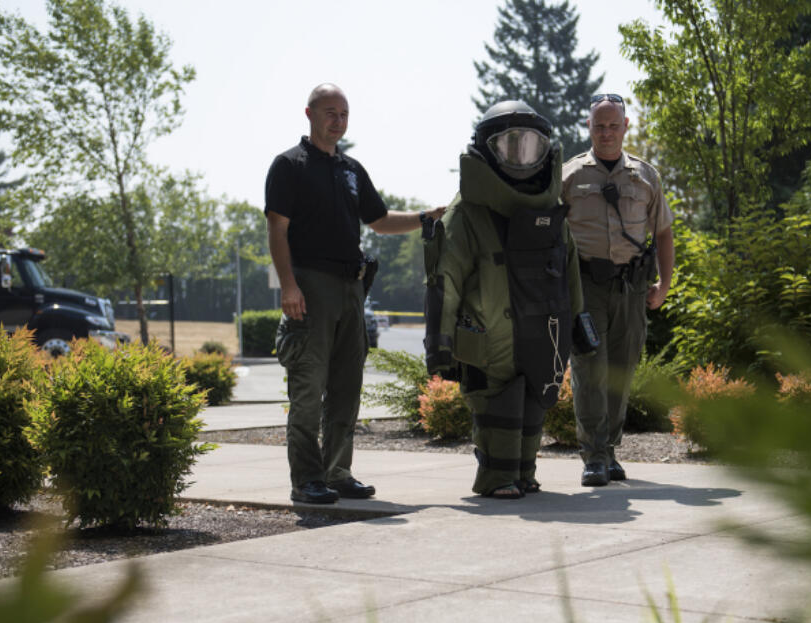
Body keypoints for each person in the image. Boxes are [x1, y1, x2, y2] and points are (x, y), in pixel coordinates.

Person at [265, 83, 444, 504]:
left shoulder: (351, 170)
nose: (337, 120)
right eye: (329, 112)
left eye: (343, 114)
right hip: (309, 286)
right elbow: (277, 228)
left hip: (351, 289)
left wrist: (424, 216)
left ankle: (337, 472)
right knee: (308, 389)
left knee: (347, 386)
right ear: (308, 114)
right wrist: (288, 286)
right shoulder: (288, 165)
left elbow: (379, 220)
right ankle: (307, 479)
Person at [425, 100, 595, 499]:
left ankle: (523, 471)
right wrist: (441, 346)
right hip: (487, 339)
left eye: (531, 148)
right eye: (510, 146)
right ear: (487, 149)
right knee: (496, 404)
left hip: (541, 334)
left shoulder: (550, 212)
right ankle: (496, 476)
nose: (521, 159)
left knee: (536, 399)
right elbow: (443, 281)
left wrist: (579, 323)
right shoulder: (466, 213)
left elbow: (570, 270)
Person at [561, 93, 675, 487]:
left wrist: (664, 283)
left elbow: (662, 232)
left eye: (613, 125)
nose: (606, 133)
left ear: (626, 126)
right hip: (586, 286)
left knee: (621, 372)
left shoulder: (645, 176)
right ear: (588, 128)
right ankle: (593, 456)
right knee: (590, 370)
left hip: (631, 287)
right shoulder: (569, 176)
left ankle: (609, 450)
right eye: (598, 126)